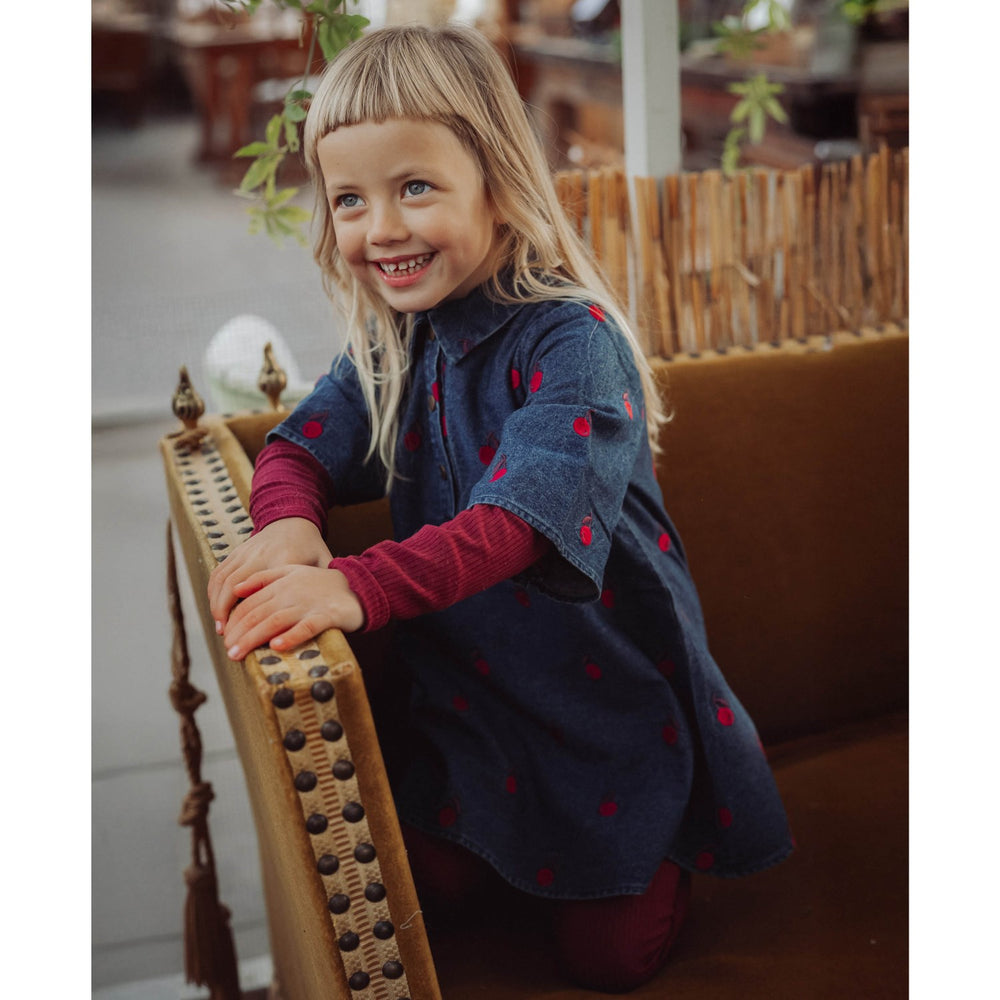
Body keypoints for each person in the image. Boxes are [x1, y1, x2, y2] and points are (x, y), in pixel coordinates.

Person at [208, 22, 792, 993]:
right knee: (429, 882)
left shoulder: (574, 342)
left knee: (608, 962)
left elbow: (518, 523)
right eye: (350, 199)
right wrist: (289, 524)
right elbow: (299, 445)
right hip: (472, 710)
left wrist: (356, 585)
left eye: (415, 188)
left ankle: (665, 840)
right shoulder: (397, 338)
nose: (379, 228)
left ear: (497, 181)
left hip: (604, 711)